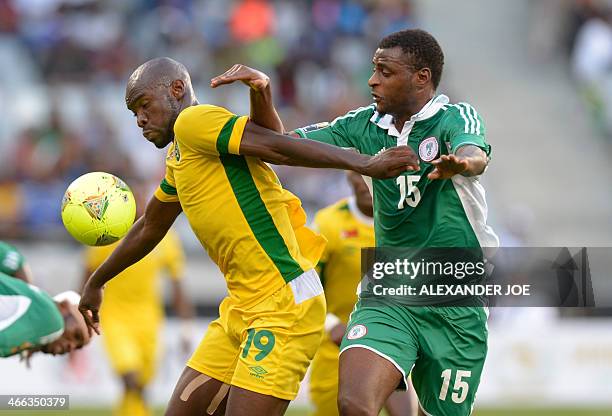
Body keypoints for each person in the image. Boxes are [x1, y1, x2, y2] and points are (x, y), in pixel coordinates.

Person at [78, 58, 419, 416]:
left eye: (144, 106)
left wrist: (362, 162)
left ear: (177, 90)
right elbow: (150, 226)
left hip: (282, 303)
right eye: (134, 113)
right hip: (241, 308)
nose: (140, 120)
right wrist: (97, 281)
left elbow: (276, 147)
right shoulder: (181, 156)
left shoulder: (194, 122)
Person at [292, 28, 499, 416]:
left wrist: (462, 162)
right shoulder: (364, 125)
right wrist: (260, 95)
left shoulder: (454, 117)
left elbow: (475, 153)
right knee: (354, 402)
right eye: (373, 69)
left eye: (385, 71)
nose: (371, 80)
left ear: (421, 77)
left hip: (455, 300)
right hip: (389, 291)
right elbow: (289, 144)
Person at [309, 172, 414, 416]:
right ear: (349, 174)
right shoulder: (328, 223)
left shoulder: (407, 224)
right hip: (337, 346)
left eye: (376, 176)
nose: (368, 183)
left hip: (392, 342)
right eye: (362, 175)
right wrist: (331, 324)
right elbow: (303, 287)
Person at [83, 194, 194, 416]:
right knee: (129, 376)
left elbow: (177, 284)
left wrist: (186, 326)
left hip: (149, 321)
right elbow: (87, 276)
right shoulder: (109, 236)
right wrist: (82, 314)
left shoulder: (167, 239)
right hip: (114, 318)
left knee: (138, 385)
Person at [0, 243, 91, 359]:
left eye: (77, 347)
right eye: (76, 335)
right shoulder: (53, 319)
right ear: (64, 306)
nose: (71, 346)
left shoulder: (29, 303)